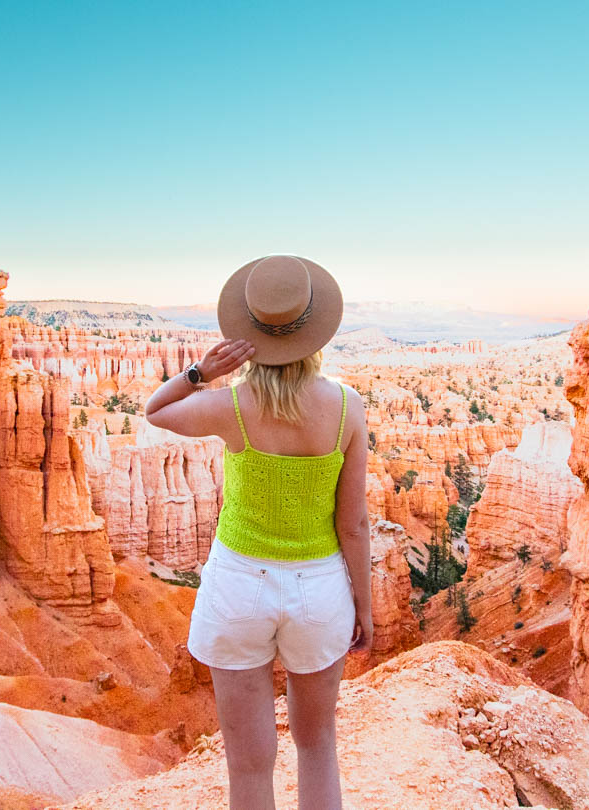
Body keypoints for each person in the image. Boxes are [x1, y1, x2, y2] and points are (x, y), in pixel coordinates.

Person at [145, 254, 371, 810]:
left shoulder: (230, 406)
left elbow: (155, 410)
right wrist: (364, 606)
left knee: (248, 765)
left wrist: (202, 372)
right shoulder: (346, 408)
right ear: (315, 331)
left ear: (248, 335)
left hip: (238, 587)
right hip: (318, 590)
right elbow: (355, 521)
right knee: (317, 746)